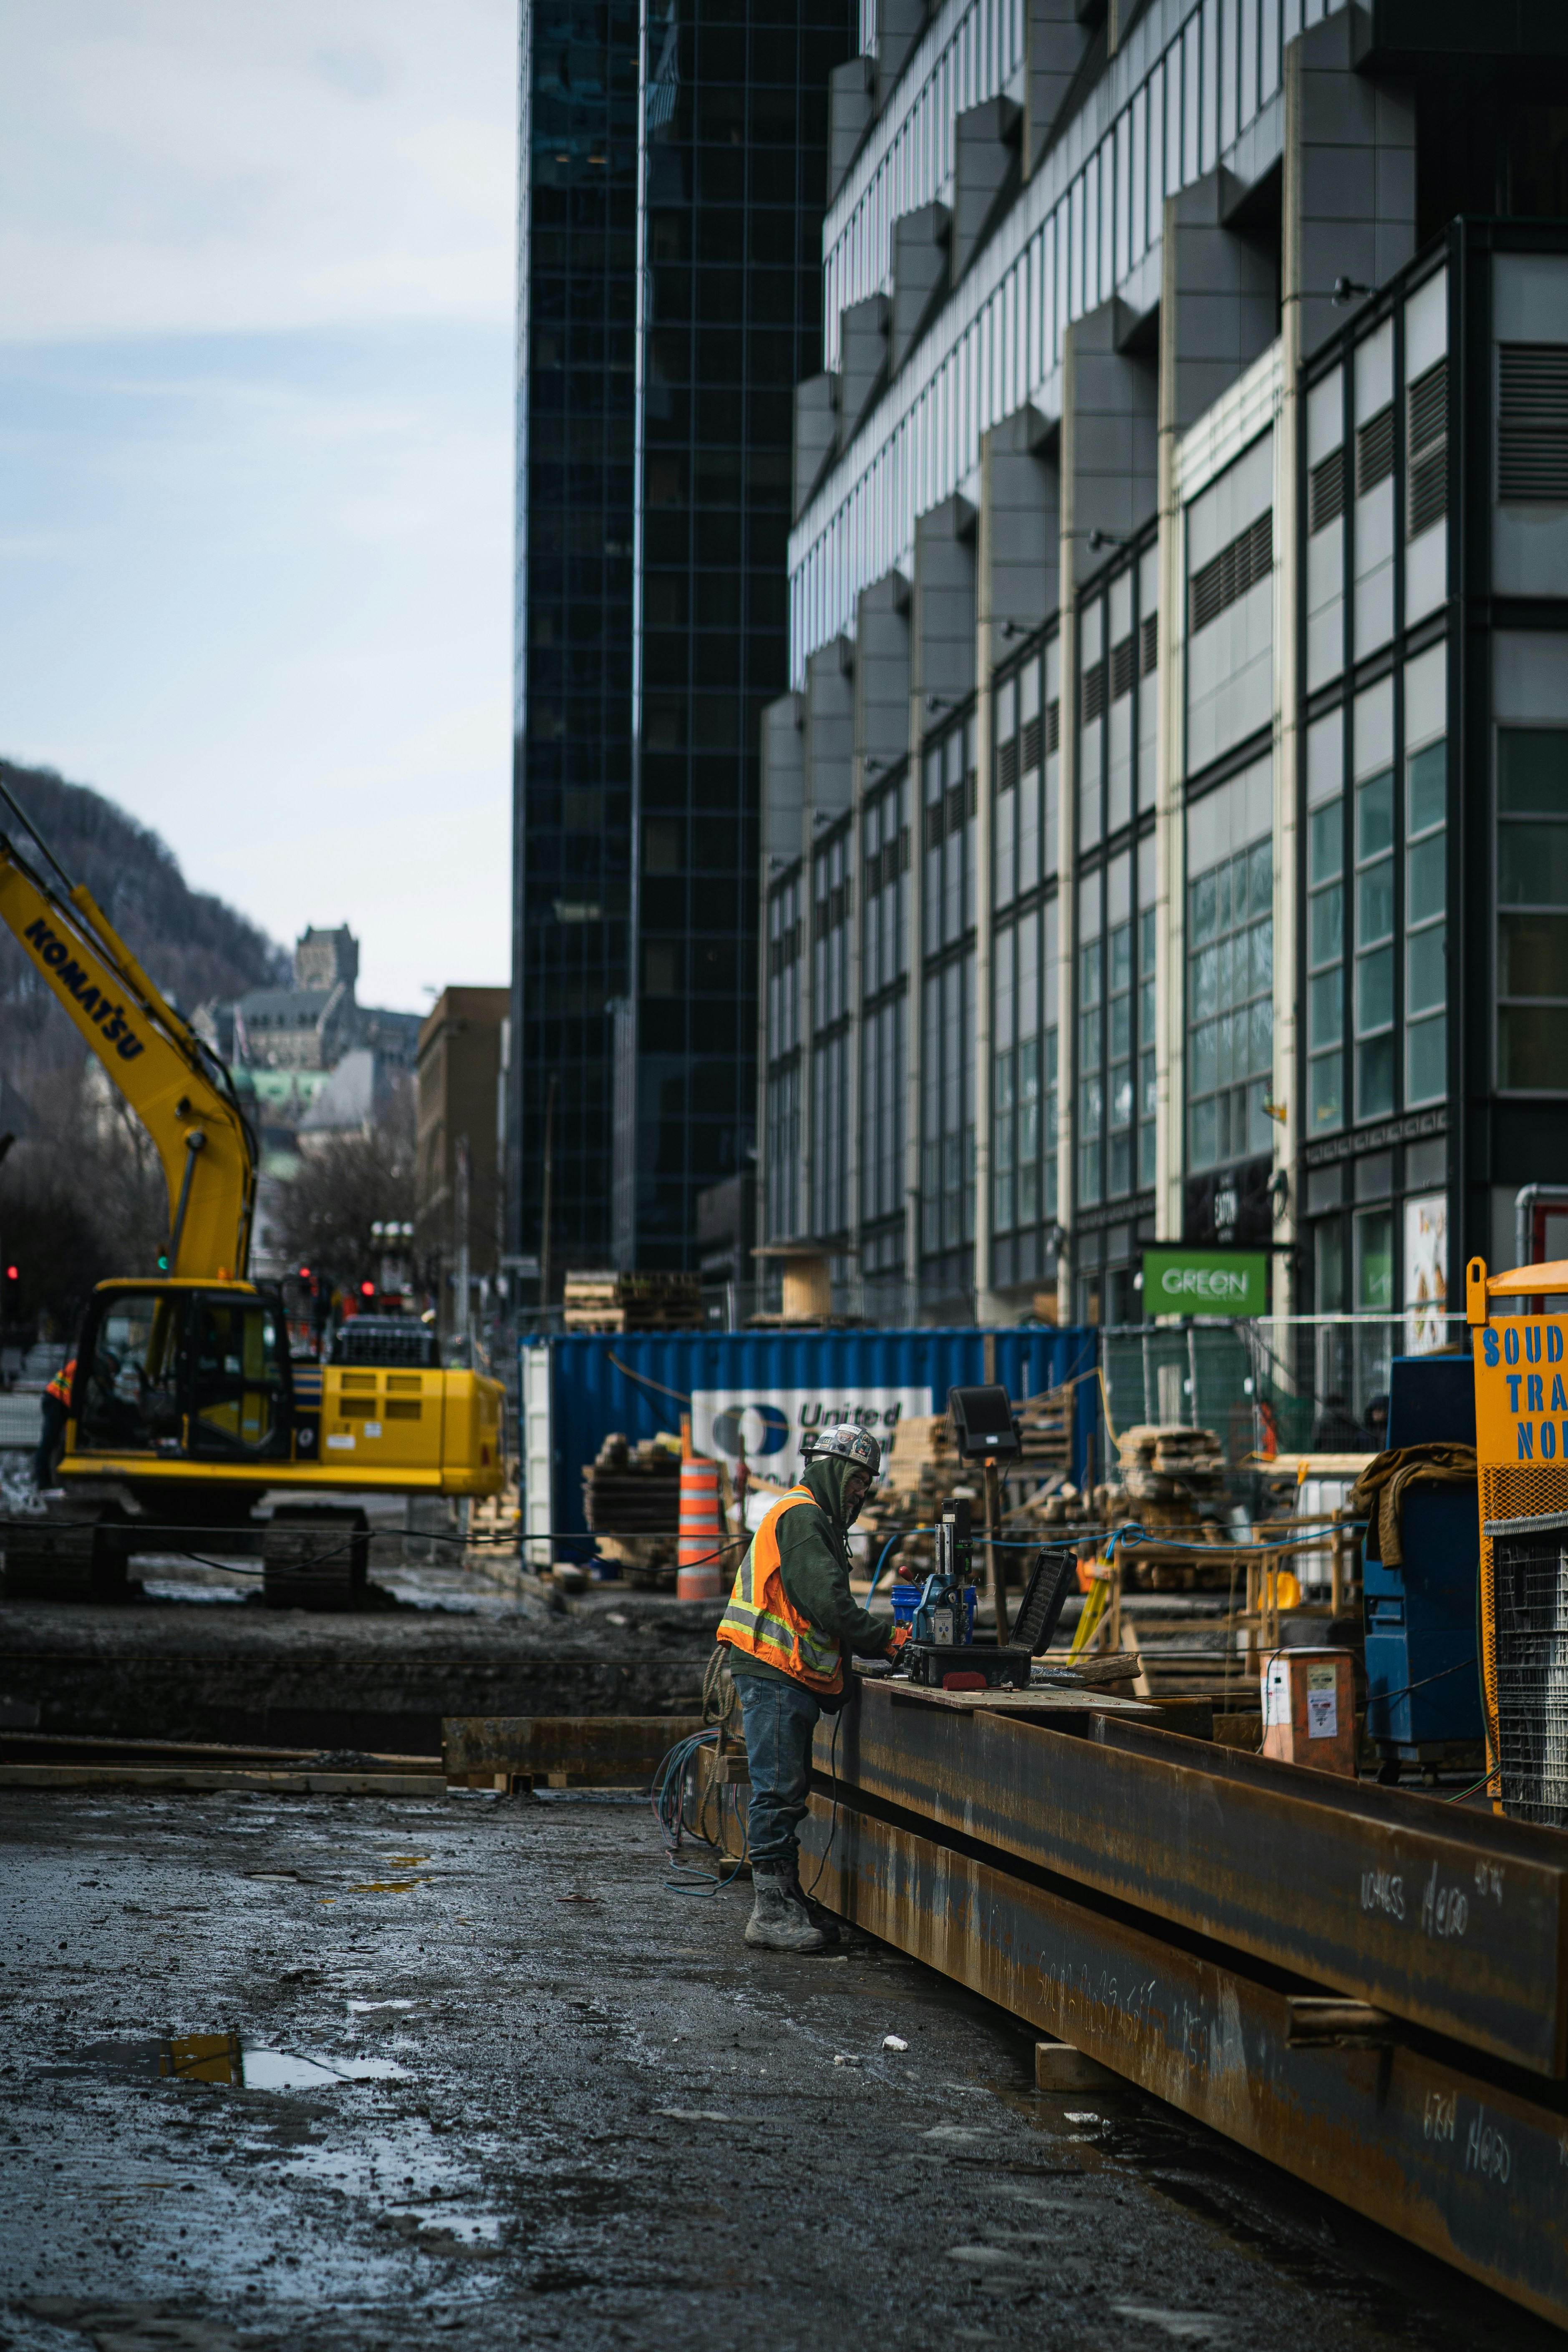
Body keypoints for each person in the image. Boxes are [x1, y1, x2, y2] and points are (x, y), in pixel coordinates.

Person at [717, 1422, 907, 1954]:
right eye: (857, 1481)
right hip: (774, 1673)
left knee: (787, 1789)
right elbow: (828, 1604)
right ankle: (770, 1914)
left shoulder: (807, 1516)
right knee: (777, 1790)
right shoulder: (802, 1519)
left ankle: (787, 1901)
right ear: (835, 1471)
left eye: (867, 1485)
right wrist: (886, 1641)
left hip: (784, 1673)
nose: (861, 1493)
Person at [34, 1355, 76, 1490]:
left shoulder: (80, 1363)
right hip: (57, 1400)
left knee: (52, 1442)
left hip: (58, 1401)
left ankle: (47, 1481)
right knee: (48, 1442)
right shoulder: (84, 1364)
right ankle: (43, 1482)